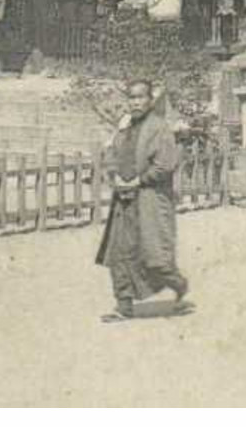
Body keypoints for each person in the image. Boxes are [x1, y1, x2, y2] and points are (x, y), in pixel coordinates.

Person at [95, 80, 190, 321]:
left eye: (140, 97)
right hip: (124, 199)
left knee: (155, 257)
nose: (135, 102)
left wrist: (139, 180)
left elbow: (165, 164)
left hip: (149, 198)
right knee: (119, 253)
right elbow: (112, 154)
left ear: (150, 100)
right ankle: (123, 306)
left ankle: (177, 284)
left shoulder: (159, 128)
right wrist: (115, 175)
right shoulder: (124, 127)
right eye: (131, 98)